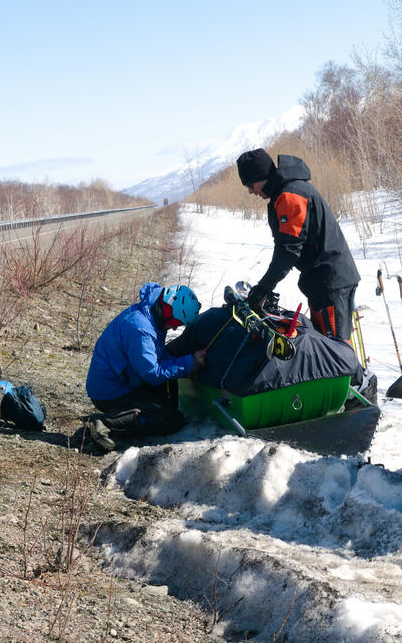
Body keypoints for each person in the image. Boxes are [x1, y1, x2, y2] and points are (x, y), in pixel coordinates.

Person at [236, 149, 361, 342]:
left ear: (260, 176)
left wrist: (264, 288)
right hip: (322, 283)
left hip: (331, 283)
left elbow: (288, 250)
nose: (250, 191)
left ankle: (354, 373)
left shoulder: (291, 196)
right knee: (325, 348)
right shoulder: (286, 192)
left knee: (336, 352)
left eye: (249, 184)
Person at [84, 282, 206, 452]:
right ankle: (104, 423)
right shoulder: (140, 329)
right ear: (170, 312)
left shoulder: (153, 314)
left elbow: (155, 355)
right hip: (110, 392)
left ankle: (122, 417)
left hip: (124, 379)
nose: (176, 327)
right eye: (177, 322)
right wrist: (189, 363)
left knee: (167, 403)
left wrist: (182, 363)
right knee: (169, 420)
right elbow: (152, 373)